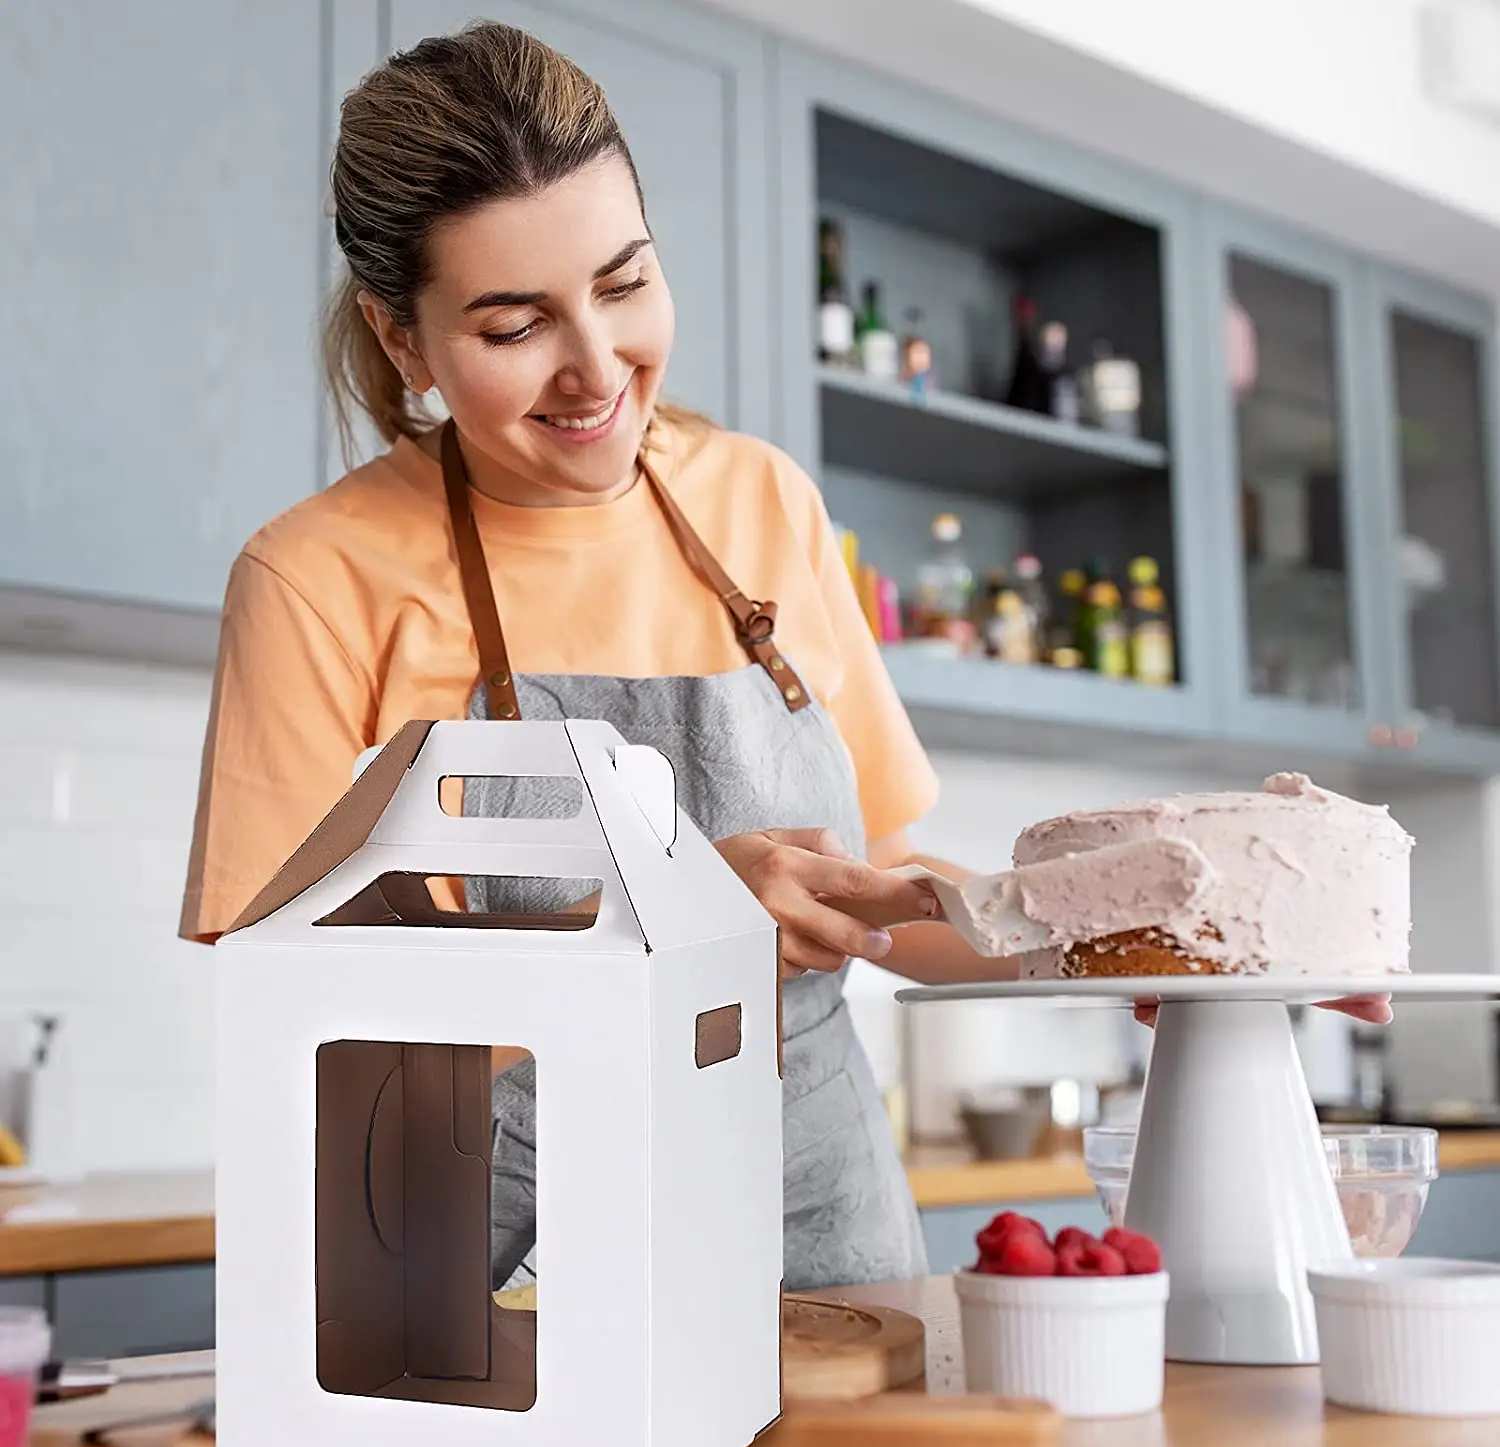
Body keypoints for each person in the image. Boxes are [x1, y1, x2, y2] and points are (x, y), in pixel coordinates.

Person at [179, 22, 1388, 1293]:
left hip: (830, 1249)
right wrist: (682, 931)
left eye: (625, 281)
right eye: (513, 324)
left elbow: (873, 884)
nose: (598, 369)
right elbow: (310, 1032)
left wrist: (1145, 930)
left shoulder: (759, 500)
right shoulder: (314, 579)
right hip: (509, 1278)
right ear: (406, 341)